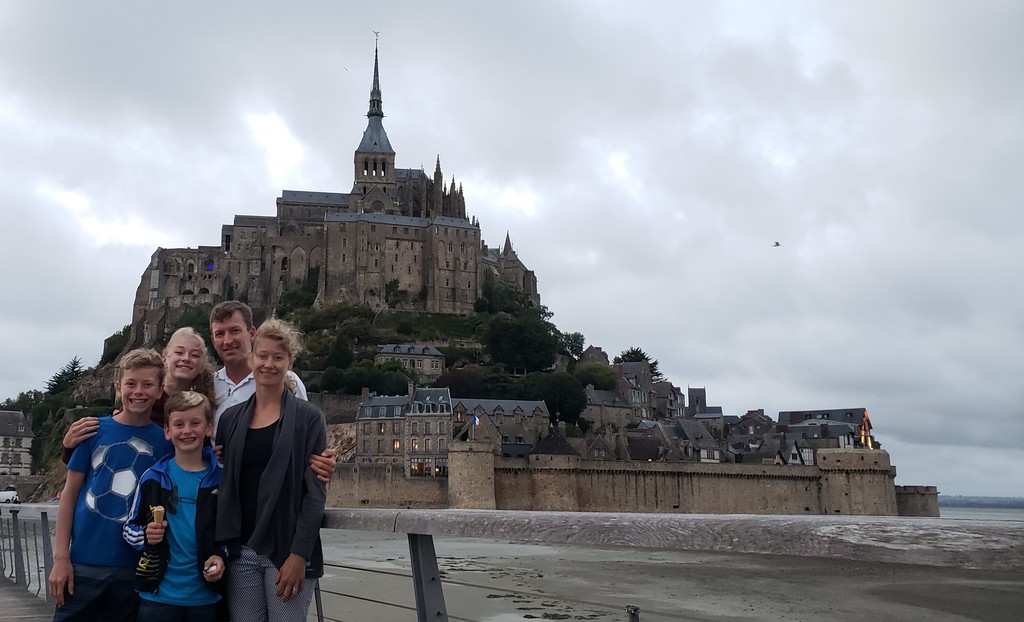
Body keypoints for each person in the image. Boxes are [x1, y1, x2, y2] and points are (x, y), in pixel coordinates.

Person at [49, 349, 174, 622]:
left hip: (136, 567)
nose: (138, 391)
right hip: (83, 564)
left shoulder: (167, 442)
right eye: (130, 383)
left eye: (147, 384)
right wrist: (60, 559)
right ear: (118, 387)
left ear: (159, 390)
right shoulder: (92, 432)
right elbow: (69, 496)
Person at [215, 318, 327, 621]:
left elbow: (315, 494)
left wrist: (298, 555)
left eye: (278, 357)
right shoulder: (230, 419)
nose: (268, 364)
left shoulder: (309, 419)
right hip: (241, 551)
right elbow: (224, 478)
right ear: (251, 357)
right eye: (262, 355)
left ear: (289, 361)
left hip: (287, 550)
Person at [123, 391, 225, 622]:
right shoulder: (152, 478)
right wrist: (146, 535)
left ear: (209, 428)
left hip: (206, 598)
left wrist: (221, 557)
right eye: (179, 424)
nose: (187, 431)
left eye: (195, 423)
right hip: (157, 595)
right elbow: (130, 528)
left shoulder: (222, 480)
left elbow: (231, 534)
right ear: (167, 431)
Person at [209, 301, 335, 482]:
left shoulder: (287, 380)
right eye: (220, 334)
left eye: (235, 331)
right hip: (228, 492)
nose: (228, 340)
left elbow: (306, 437)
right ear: (213, 340)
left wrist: (324, 462)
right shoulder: (209, 386)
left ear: (251, 333)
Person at [60, 328, 219, 463]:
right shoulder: (144, 398)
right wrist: (68, 447)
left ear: (201, 366)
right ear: (164, 359)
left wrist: (211, 455)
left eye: (195, 355)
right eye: (179, 352)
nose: (186, 358)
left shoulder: (202, 405)